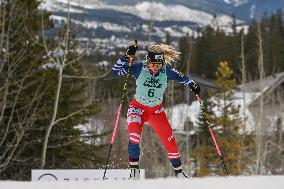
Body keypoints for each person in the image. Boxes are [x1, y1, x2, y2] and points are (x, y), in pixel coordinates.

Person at [112, 41, 200, 179]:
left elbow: (183, 78)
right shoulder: (139, 67)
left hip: (156, 111)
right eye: (153, 64)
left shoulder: (167, 71)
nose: (155, 68)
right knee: (134, 136)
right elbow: (115, 71)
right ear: (148, 61)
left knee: (169, 140)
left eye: (158, 65)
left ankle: (179, 173)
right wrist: (127, 55)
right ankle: (134, 172)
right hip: (137, 109)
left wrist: (193, 86)